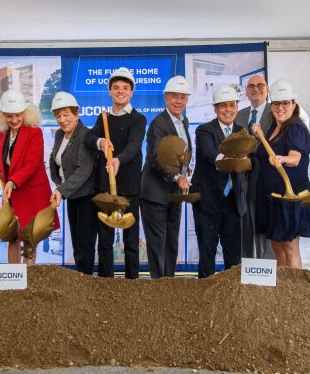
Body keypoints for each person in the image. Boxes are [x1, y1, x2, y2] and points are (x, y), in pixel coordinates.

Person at [84, 67, 147, 279]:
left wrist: (118, 159)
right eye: (116, 88)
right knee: (105, 239)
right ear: (110, 91)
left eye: (125, 88)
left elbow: (134, 145)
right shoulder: (103, 118)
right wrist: (100, 141)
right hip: (106, 188)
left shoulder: (138, 119)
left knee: (131, 241)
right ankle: (105, 283)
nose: (121, 91)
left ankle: (132, 283)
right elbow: (88, 138)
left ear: (131, 92)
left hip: (129, 186)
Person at [0, 89, 59, 266]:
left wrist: (13, 182)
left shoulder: (34, 132)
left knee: (29, 237)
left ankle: (28, 279)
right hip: (12, 194)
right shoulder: (1, 133)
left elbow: (32, 164)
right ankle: (14, 278)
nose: (14, 120)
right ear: (2, 116)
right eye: (9, 116)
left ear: (25, 113)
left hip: (31, 192)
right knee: (12, 236)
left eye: (17, 115)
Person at [253, 79, 310, 267]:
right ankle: (281, 291)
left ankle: (294, 290)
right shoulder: (272, 127)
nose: (281, 108)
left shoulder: (295, 127)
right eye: (276, 104)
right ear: (271, 105)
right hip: (272, 197)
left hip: (289, 199)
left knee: (289, 247)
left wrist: (282, 159)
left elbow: (295, 157)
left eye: (285, 103)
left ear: (294, 104)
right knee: (277, 246)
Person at [191, 85, 248, 278]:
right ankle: (204, 297)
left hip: (233, 201)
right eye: (222, 106)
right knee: (207, 252)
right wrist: (231, 161)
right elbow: (209, 153)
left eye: (231, 105)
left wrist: (248, 161)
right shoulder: (204, 130)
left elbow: (252, 159)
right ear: (215, 108)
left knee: (233, 255)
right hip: (207, 201)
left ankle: (231, 296)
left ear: (237, 107)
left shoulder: (243, 133)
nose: (228, 110)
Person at [141, 76, 192, 278]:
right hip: (155, 194)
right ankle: (159, 290)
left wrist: (185, 172)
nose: (179, 101)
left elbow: (182, 153)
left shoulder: (184, 121)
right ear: (166, 98)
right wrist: (176, 177)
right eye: (174, 97)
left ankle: (169, 285)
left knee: (171, 242)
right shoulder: (158, 124)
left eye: (183, 97)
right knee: (157, 245)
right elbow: (156, 159)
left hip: (174, 193)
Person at [49, 91, 97, 274]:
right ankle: (80, 283)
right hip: (72, 195)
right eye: (58, 116)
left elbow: (84, 169)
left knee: (84, 245)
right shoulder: (60, 135)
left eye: (66, 115)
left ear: (77, 114)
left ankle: (86, 284)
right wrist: (57, 183)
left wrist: (62, 190)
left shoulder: (85, 135)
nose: (62, 120)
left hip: (86, 198)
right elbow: (54, 159)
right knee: (76, 243)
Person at [236, 74, 275, 259]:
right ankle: (248, 269)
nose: (255, 89)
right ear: (246, 91)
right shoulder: (240, 115)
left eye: (260, 85)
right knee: (246, 227)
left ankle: (267, 271)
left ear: (267, 90)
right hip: (244, 181)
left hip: (267, 179)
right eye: (251, 86)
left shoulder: (275, 112)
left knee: (266, 228)